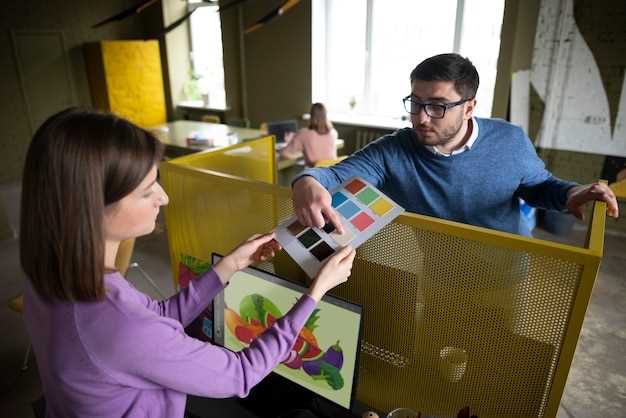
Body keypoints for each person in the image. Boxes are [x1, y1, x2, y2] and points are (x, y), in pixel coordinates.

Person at [20, 108, 356, 418]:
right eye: (148, 190)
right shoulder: (116, 322)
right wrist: (316, 292)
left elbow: (158, 318)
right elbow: (240, 374)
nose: (163, 198)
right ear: (91, 205)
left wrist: (230, 265)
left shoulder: (51, 273)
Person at [291, 53, 618, 236]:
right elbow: (333, 175)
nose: (420, 118)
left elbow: (539, 186)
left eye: (436, 106)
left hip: (506, 270)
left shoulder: (510, 140)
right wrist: (307, 181)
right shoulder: (395, 150)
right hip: (438, 271)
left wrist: (572, 193)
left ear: (470, 107)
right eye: (415, 103)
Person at [279, 103, 338, 167]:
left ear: (311, 115)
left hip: (314, 174)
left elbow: (283, 153)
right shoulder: (333, 132)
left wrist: (291, 144)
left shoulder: (304, 133)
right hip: (332, 173)